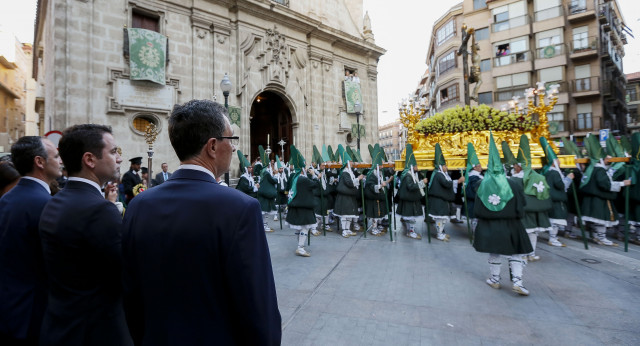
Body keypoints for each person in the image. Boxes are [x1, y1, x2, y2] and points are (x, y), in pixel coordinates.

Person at [121, 99, 281, 345]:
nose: (233, 148)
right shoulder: (240, 208)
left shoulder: (140, 205)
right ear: (213, 146)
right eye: (231, 140)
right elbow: (258, 305)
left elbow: (130, 295)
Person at [38, 124, 131, 345]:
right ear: (90, 160)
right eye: (113, 151)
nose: (119, 159)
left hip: (60, 327)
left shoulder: (55, 201)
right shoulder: (99, 210)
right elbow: (126, 272)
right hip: (96, 331)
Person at [0, 137, 62, 345]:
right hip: (34, 313)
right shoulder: (47, 205)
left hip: (8, 308)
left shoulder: (7, 199)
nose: (60, 160)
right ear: (40, 162)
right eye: (55, 156)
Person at [473, 133, 532, 296]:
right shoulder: (514, 183)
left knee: (494, 251)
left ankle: (495, 279)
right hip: (512, 224)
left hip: (490, 225)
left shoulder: (481, 184)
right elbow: (522, 205)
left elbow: (477, 209)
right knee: (515, 252)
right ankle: (518, 281)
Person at [580, 134, 631, 246]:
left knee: (596, 220)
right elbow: (605, 185)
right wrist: (622, 183)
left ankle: (596, 236)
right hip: (599, 199)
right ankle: (601, 238)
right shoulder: (600, 170)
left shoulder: (593, 169)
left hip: (594, 199)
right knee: (600, 220)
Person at [509, 135, 552, 262]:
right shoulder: (538, 177)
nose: (514, 168)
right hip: (534, 212)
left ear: (519, 167)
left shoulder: (514, 180)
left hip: (520, 212)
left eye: (515, 166)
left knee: (522, 232)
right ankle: (531, 253)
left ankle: (522, 252)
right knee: (533, 233)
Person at [540, 137, 574, 247]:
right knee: (555, 220)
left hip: (551, 199)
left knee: (553, 220)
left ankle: (553, 237)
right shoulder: (554, 173)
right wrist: (569, 178)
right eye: (558, 160)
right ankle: (553, 238)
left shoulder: (548, 172)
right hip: (556, 200)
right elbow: (561, 185)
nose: (560, 162)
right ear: (554, 163)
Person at [428, 143, 464, 241]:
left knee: (443, 218)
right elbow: (447, 184)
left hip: (441, 201)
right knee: (440, 218)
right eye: (444, 166)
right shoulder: (439, 175)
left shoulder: (442, 175)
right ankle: (439, 234)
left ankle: (441, 232)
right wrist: (458, 181)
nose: (446, 167)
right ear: (440, 167)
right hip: (438, 201)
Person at [286, 146, 317, 256]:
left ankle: (300, 245)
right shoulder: (303, 179)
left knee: (299, 228)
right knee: (305, 227)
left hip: (296, 205)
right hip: (303, 206)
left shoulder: (295, 177)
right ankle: (300, 247)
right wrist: (314, 175)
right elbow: (315, 185)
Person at [396, 144, 428, 239]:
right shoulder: (408, 176)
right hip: (409, 199)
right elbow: (411, 186)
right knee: (411, 217)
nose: (417, 167)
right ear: (412, 166)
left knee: (411, 217)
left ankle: (411, 231)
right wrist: (422, 183)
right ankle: (411, 232)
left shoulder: (412, 174)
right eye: (416, 165)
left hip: (411, 199)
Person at [334, 151, 364, 238]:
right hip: (344, 196)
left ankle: (347, 229)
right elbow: (349, 183)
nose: (352, 162)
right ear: (347, 163)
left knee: (350, 214)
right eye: (350, 161)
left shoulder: (350, 172)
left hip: (349, 196)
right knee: (344, 214)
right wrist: (358, 178)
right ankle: (344, 230)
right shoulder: (345, 172)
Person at [364, 147, 391, 236]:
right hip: (373, 197)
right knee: (374, 215)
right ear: (377, 166)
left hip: (379, 197)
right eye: (381, 165)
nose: (382, 166)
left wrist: (387, 182)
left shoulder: (379, 173)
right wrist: (380, 185)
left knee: (378, 214)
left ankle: (377, 227)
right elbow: (371, 185)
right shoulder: (371, 174)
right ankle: (374, 229)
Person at [464, 143, 483, 232]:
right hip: (474, 201)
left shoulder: (476, 176)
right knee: (475, 218)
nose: (481, 167)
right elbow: (476, 189)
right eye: (479, 166)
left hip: (475, 201)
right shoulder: (474, 177)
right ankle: (475, 232)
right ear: (474, 168)